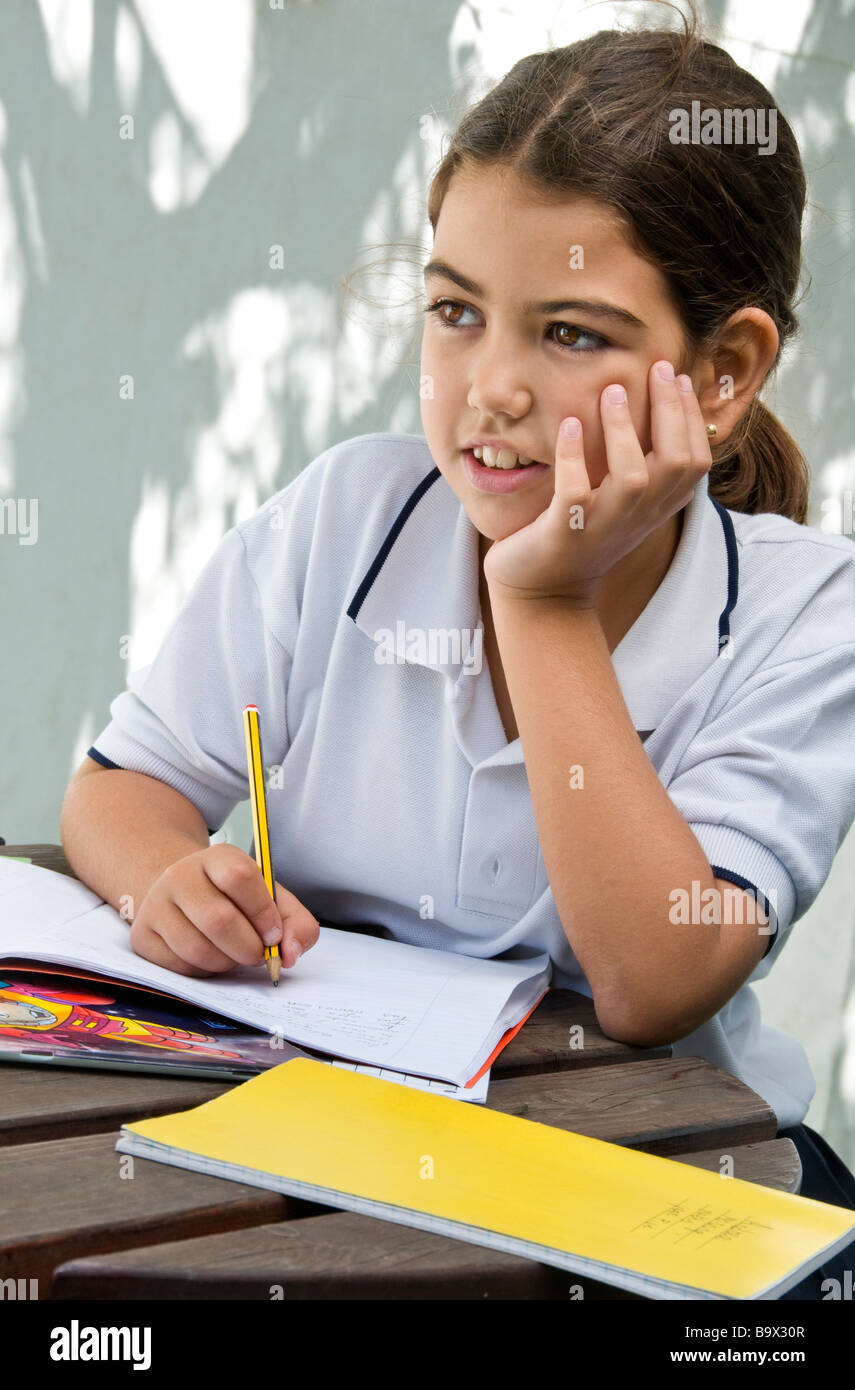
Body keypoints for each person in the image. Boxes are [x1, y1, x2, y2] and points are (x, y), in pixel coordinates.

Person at [60, 6, 855, 1299]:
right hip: (340, 1145)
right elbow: (118, 783)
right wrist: (166, 877)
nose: (488, 385)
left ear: (721, 375)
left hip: (664, 1196)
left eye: (572, 332)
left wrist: (546, 601)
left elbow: (655, 974)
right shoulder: (346, 516)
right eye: (453, 309)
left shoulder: (806, 614)